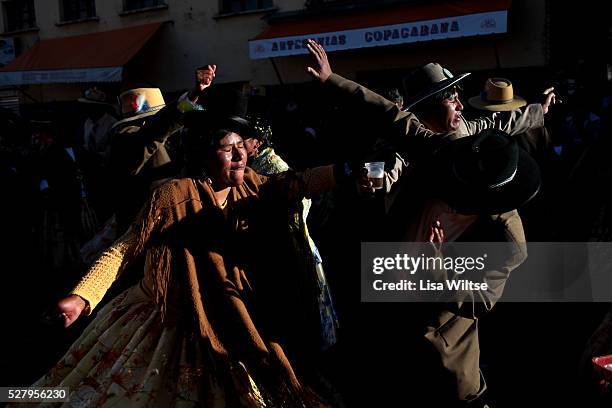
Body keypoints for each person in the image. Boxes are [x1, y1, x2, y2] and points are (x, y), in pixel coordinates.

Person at [30, 95, 345, 406]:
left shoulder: (253, 185)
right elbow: (123, 250)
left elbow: (297, 182)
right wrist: (83, 296)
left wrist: (344, 172)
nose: (239, 156)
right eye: (227, 149)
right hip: (167, 318)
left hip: (227, 316)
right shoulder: (172, 195)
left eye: (241, 148)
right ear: (207, 153)